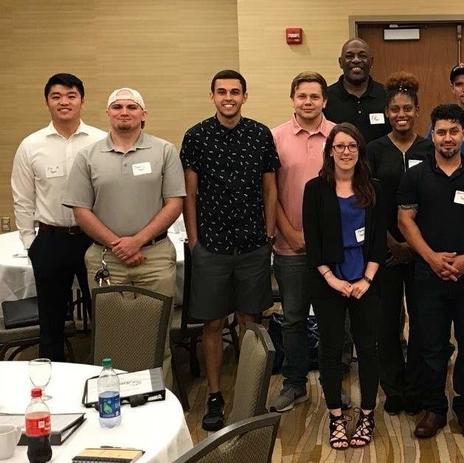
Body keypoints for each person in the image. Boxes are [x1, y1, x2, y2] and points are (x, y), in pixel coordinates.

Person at [180, 70, 279, 431]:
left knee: (251, 323)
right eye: (221, 92)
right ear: (212, 96)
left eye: (235, 92)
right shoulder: (196, 136)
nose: (228, 97)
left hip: (253, 244)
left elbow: (270, 189)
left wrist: (269, 233)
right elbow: (190, 193)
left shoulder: (260, 134)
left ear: (244, 96)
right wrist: (194, 241)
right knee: (213, 323)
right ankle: (215, 396)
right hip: (212, 246)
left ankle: (250, 395)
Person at [63, 87, 184, 380]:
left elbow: (174, 204)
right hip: (106, 260)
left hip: (154, 258)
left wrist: (137, 241)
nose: (124, 112)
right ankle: (115, 397)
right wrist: (118, 245)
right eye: (117, 107)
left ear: (143, 114)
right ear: (108, 113)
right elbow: (81, 210)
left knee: (157, 337)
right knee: (113, 338)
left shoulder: (164, 151)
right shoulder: (88, 156)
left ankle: (158, 397)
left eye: (132, 107)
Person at [398, 104, 464, 439]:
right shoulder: (415, 176)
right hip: (429, 277)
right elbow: (405, 220)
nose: (447, 138)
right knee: (431, 346)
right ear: (433, 135)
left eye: (454, 131)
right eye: (441, 132)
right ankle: (435, 408)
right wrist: (431, 258)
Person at [12, 73, 105, 361]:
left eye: (71, 95)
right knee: (51, 322)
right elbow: (23, 197)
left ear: (82, 101)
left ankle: (107, 376)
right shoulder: (31, 145)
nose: (64, 102)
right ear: (47, 102)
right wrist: (30, 243)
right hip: (51, 240)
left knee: (103, 315)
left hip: (94, 239)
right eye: (56, 96)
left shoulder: (101, 141)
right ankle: (52, 377)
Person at [302, 123, 385, 449]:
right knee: (331, 348)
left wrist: (366, 279)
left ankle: (367, 414)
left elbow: (378, 242)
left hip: (366, 280)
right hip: (328, 280)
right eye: (340, 146)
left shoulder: (374, 188)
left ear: (360, 151)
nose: (346, 152)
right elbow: (313, 242)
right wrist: (332, 279)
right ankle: (336, 415)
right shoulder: (315, 189)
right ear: (330, 152)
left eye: (352, 146)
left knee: (368, 348)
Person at [365, 72, 433, 415]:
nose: (401, 114)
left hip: (423, 250)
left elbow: (437, 201)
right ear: (387, 113)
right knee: (387, 321)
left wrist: (416, 246)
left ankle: (417, 386)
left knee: (422, 320)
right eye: (395, 109)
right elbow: (368, 201)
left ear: (417, 110)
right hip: (386, 250)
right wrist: (391, 241)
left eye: (407, 108)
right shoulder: (374, 150)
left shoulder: (430, 149)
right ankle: (393, 387)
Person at [268, 71, 336, 412]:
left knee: (332, 320)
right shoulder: (275, 138)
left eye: (314, 96)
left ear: (325, 100)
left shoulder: (339, 136)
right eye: (302, 96)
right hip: (289, 245)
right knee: (293, 318)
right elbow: (270, 192)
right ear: (293, 99)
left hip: (332, 247)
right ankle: (294, 384)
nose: (308, 102)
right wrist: (290, 233)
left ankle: (333, 386)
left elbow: (348, 189)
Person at [324, 37, 391, 145]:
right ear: (340, 62)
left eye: (362, 56)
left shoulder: (387, 95)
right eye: (349, 56)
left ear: (371, 62)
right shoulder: (326, 98)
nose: (356, 60)